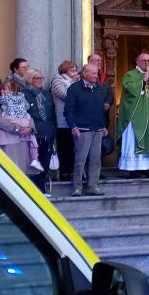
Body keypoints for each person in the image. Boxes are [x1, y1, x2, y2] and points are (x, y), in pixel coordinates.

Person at [64, 63, 108, 196]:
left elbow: (100, 109)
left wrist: (104, 125)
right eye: (94, 73)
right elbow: (68, 111)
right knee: (80, 159)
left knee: (95, 159)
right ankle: (77, 187)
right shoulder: (74, 89)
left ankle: (92, 185)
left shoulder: (99, 89)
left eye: (97, 73)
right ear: (85, 74)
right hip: (82, 129)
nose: (96, 76)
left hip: (98, 128)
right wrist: (73, 126)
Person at [0, 80, 41, 174]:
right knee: (11, 169)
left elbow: (28, 116)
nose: (4, 92)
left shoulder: (20, 100)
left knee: (22, 169)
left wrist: (31, 129)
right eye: (3, 89)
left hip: (23, 139)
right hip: (7, 140)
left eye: (7, 89)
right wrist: (18, 129)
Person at [24, 69, 57, 194]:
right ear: (29, 79)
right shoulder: (24, 94)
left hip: (47, 132)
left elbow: (52, 113)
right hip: (33, 134)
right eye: (36, 78)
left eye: (40, 78)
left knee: (45, 161)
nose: (39, 81)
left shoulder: (46, 94)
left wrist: (53, 131)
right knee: (33, 163)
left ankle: (42, 188)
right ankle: (33, 190)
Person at [51, 61, 80, 181]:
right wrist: (73, 83)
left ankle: (73, 172)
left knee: (74, 147)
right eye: (71, 69)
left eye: (75, 69)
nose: (74, 71)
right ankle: (64, 172)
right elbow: (65, 96)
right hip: (62, 120)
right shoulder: (57, 81)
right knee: (64, 147)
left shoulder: (76, 82)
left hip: (75, 119)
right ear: (64, 70)